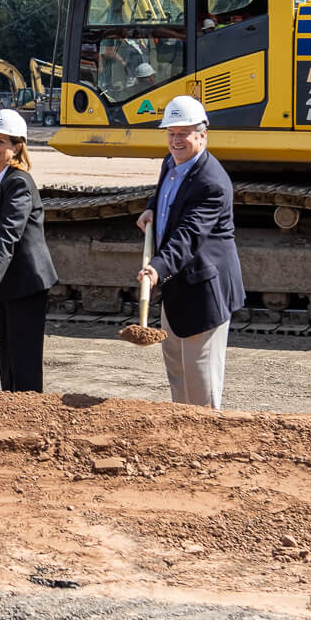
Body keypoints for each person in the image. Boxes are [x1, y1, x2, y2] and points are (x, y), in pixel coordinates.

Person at [134, 95, 246, 409]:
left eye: (184, 133)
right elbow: (167, 197)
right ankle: (182, 446)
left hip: (203, 292)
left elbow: (189, 235)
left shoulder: (211, 182)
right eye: (171, 133)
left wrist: (156, 267)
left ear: (202, 135)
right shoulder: (171, 163)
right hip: (177, 288)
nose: (176, 140)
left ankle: (207, 450)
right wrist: (152, 210)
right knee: (178, 376)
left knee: (201, 387)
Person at [0, 109, 58, 392]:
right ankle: (11, 418)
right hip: (7, 283)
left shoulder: (18, 183)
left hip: (26, 285)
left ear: (18, 147)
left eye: (1, 142)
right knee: (6, 359)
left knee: (23, 364)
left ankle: (29, 423)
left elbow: (8, 236)